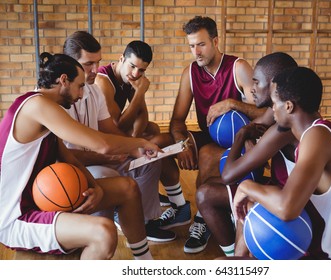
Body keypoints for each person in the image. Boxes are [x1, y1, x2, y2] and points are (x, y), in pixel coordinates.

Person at [0, 52, 161, 259]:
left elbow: (68, 157)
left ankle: (144, 263)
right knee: (103, 233)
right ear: (64, 81)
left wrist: (95, 187)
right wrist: (139, 142)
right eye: (80, 85)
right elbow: (101, 144)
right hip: (16, 218)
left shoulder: (44, 109)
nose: (82, 93)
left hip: (39, 200)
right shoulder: (36, 105)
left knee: (128, 188)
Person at [233, 66, 331, 259]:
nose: (272, 109)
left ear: (288, 106)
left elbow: (287, 208)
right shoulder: (319, 132)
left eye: (274, 102)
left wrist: (246, 186)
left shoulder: (317, 137)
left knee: (222, 265)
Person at [62, 31, 176, 242]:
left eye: (98, 62)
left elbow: (111, 131)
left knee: (149, 161)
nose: (95, 70)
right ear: (69, 64)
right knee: (106, 174)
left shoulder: (92, 91)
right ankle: (106, 226)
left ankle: (143, 221)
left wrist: (137, 147)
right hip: (76, 165)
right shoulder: (60, 97)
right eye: (89, 64)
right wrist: (119, 150)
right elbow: (66, 153)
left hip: (99, 154)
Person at [168, 16, 263, 254]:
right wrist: (182, 145)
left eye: (201, 44)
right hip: (210, 135)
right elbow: (177, 121)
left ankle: (204, 216)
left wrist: (231, 103)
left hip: (243, 139)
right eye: (191, 46)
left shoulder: (238, 67)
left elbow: (263, 114)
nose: (196, 52)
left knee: (208, 154)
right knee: (158, 143)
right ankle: (181, 206)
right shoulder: (190, 73)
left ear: (215, 41)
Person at [196, 52, 299, 256]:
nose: (250, 88)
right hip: (279, 191)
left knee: (233, 193)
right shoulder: (277, 111)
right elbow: (256, 125)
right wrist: (248, 136)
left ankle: (238, 258)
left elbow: (228, 174)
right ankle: (234, 254)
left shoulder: (284, 124)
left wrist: (242, 134)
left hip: (291, 207)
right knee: (210, 188)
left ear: (273, 85)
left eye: (256, 82)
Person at [96, 40, 191, 228]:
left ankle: (174, 203)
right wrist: (139, 92)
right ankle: (177, 204)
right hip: (100, 142)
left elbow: (143, 117)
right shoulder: (103, 81)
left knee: (154, 130)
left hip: (117, 135)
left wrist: (133, 140)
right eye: (132, 66)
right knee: (160, 140)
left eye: (141, 70)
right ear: (121, 58)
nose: (135, 74)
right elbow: (118, 124)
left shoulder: (130, 78)